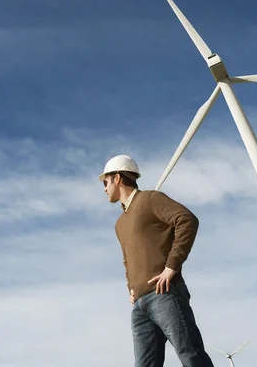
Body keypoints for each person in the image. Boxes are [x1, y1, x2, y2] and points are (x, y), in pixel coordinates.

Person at [99, 155, 214, 367]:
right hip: (140, 305)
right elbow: (127, 259)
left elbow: (187, 220)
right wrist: (131, 288)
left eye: (104, 182)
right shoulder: (119, 224)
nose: (104, 188)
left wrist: (171, 266)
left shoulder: (150, 199)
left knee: (191, 357)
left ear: (116, 178)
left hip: (165, 294)